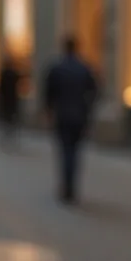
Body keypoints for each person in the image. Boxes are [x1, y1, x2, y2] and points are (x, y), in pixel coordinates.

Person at [44, 37, 98, 204]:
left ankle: (67, 187)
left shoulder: (57, 68)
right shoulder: (84, 68)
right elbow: (94, 91)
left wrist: (49, 111)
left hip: (62, 115)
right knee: (75, 152)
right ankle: (71, 186)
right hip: (80, 116)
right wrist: (88, 110)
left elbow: (48, 93)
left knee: (65, 150)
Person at [0, 56, 23, 148]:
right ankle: (11, 135)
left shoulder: (4, 74)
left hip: (5, 100)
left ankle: (6, 135)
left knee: (6, 118)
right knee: (12, 118)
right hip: (12, 99)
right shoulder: (13, 74)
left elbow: (0, 87)